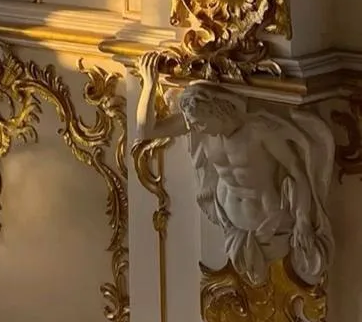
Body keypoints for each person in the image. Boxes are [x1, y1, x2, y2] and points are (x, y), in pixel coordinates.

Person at [137, 74, 334, 287]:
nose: (197, 129)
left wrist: (302, 218)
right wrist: (149, 84)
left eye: (201, 123)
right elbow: (147, 131)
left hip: (269, 224)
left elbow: (296, 170)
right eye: (194, 124)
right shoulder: (201, 124)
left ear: (217, 111)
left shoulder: (258, 131)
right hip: (229, 223)